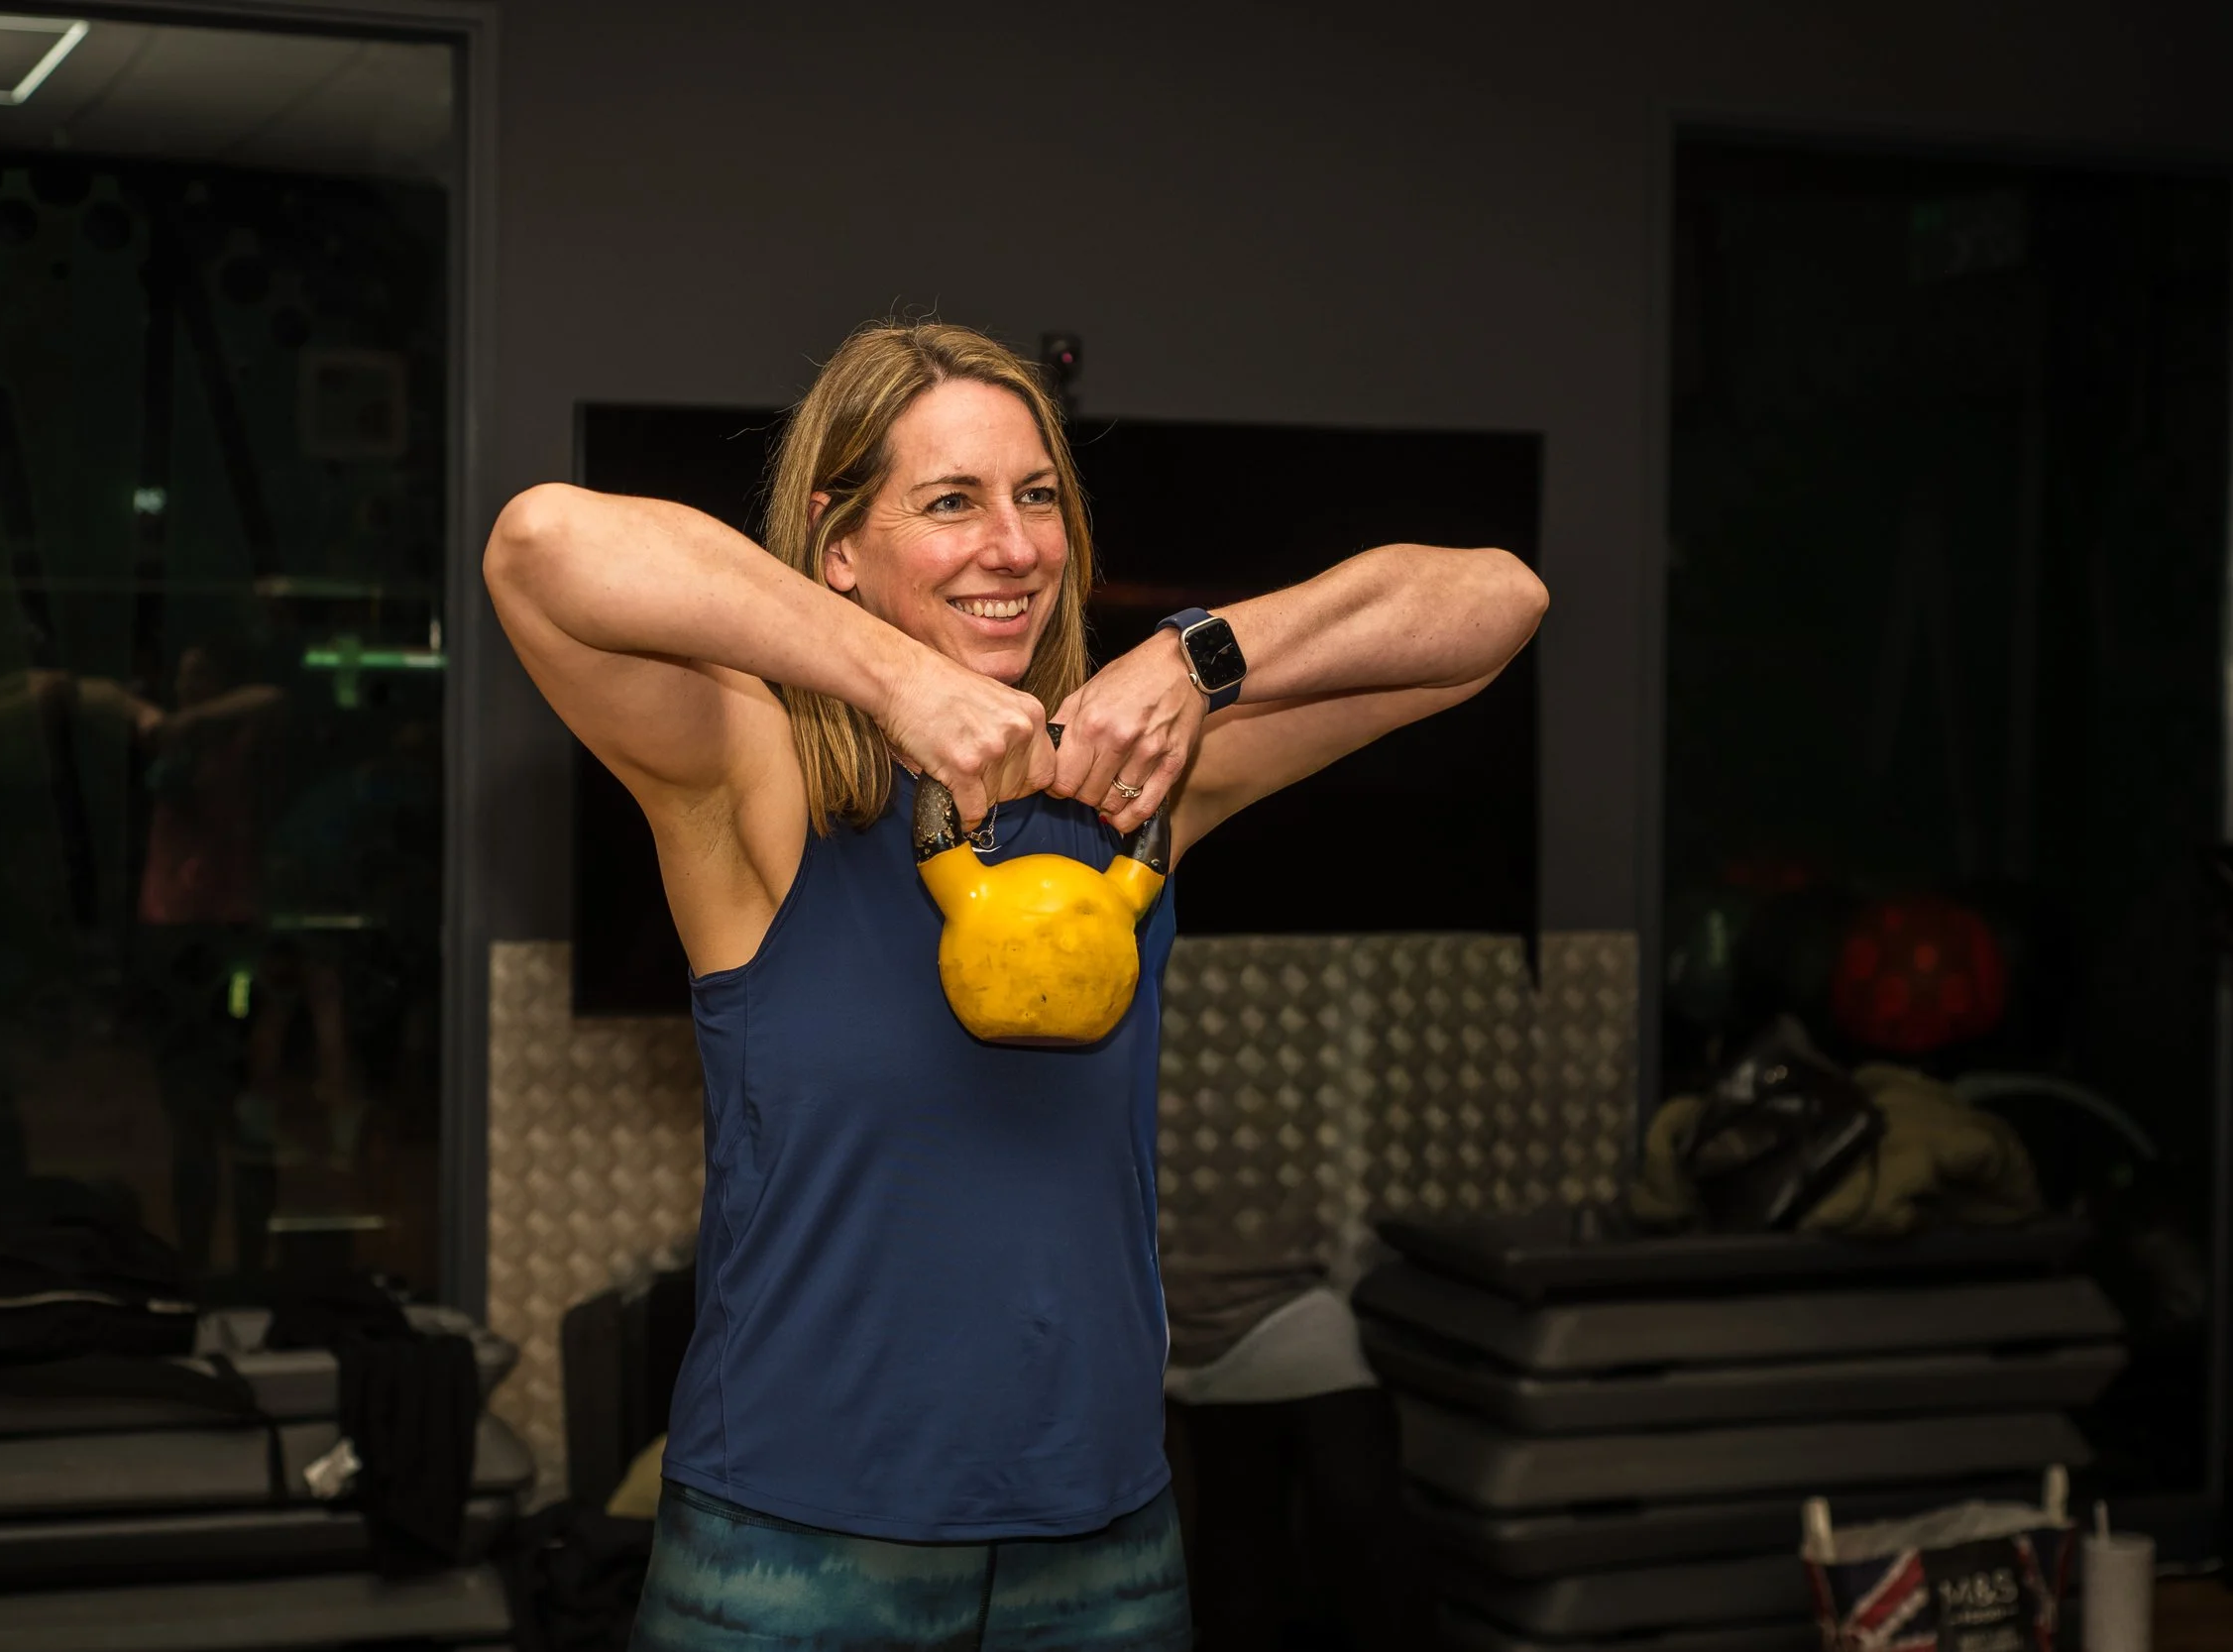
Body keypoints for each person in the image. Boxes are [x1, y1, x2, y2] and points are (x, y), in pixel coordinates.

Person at [485, 321, 1546, 1650]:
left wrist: (1196, 656)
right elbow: (539, 546)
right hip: (794, 1547)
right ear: (838, 549)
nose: (1017, 543)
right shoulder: (749, 784)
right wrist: (898, 681)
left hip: (1100, 1543)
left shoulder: (1129, 787)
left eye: (1037, 494)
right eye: (950, 502)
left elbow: (1495, 607)